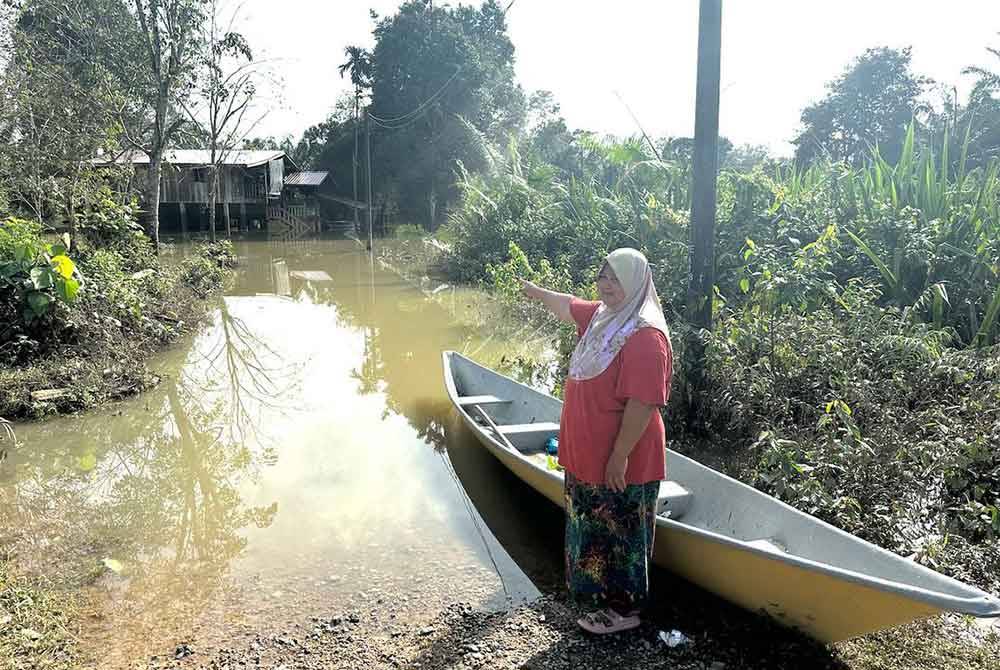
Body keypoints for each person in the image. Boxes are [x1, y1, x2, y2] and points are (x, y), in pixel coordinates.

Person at [520, 248, 673, 635]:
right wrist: (534, 291)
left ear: (637, 282)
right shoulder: (604, 318)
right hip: (589, 456)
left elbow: (643, 403)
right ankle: (594, 602)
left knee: (621, 534)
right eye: (603, 276)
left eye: (617, 278)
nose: (607, 284)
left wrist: (619, 456)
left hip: (623, 460)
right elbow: (568, 306)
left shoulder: (644, 335)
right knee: (592, 528)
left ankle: (624, 612)